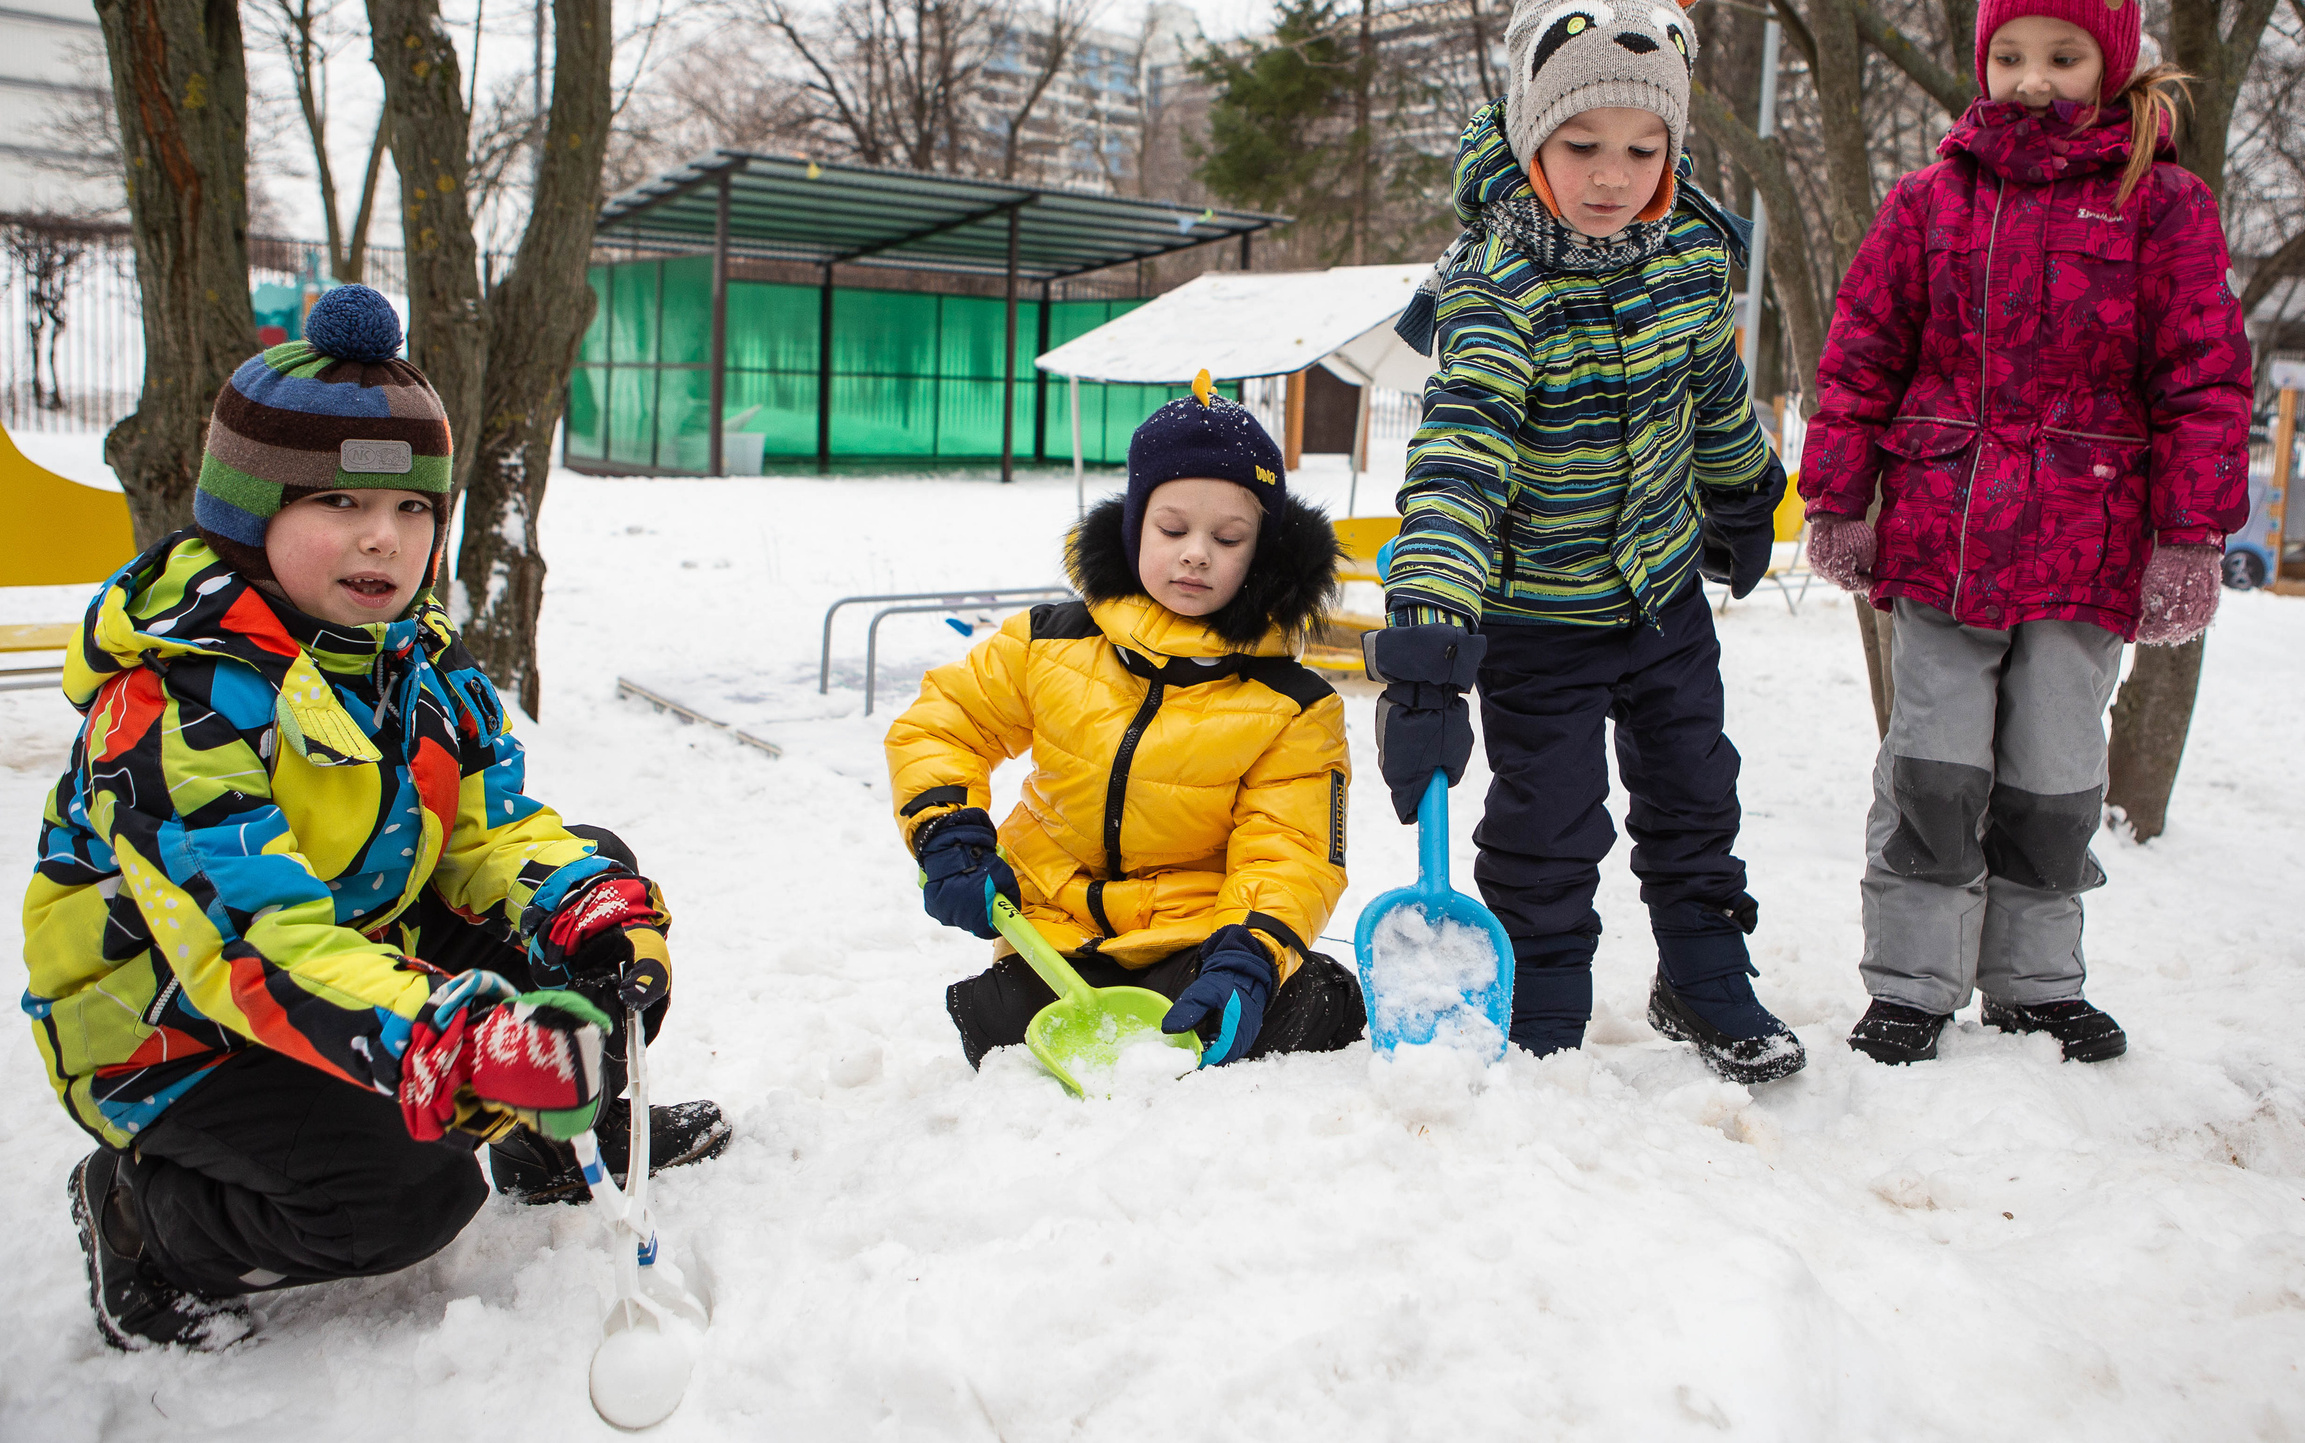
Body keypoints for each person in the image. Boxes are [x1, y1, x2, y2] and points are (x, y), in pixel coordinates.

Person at [25, 286, 727, 1352]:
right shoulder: (178, 706)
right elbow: (256, 946)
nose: (382, 538)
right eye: (339, 502)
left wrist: (589, 907)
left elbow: (486, 829)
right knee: (400, 1193)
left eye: (411, 509)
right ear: (249, 517)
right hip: (182, 1024)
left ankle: (554, 1133)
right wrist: (449, 1039)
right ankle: (137, 1220)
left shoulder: (414, 657)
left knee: (588, 891)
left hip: (351, 947)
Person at [1799, 0, 2252, 1066]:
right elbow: (1861, 352)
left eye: (2061, 55)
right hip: (1942, 534)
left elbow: (2202, 381)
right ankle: (1910, 984)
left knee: (2053, 774)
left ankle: (2037, 982)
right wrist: (1839, 496)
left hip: (2086, 542)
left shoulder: (2160, 207)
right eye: (2010, 56)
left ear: (2111, 60)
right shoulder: (1929, 203)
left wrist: (2189, 537)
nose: (2031, 79)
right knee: (1932, 766)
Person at [1369, 0, 1799, 1080]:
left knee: (1696, 794)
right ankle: (1544, 1009)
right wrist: (1426, 642)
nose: (1612, 174)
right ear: (1529, 135)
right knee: (1548, 823)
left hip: (1662, 597)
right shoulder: (1495, 286)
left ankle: (1705, 975)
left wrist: (1745, 492)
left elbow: (1715, 393)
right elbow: (1457, 464)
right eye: (1582, 144)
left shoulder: (1691, 257)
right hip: (1536, 617)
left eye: (1642, 147)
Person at [888, 376, 1366, 1067]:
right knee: (1003, 1033)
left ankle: (1309, 990)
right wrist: (946, 831)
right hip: (1055, 934)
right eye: (1172, 529)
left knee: (1239, 1020)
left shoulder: (1292, 704)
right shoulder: (1050, 642)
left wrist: (1249, 954)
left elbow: (1289, 846)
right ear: (1134, 527)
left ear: (1262, 552)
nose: (1196, 552)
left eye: (1228, 537)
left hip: (1199, 940)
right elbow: (944, 723)